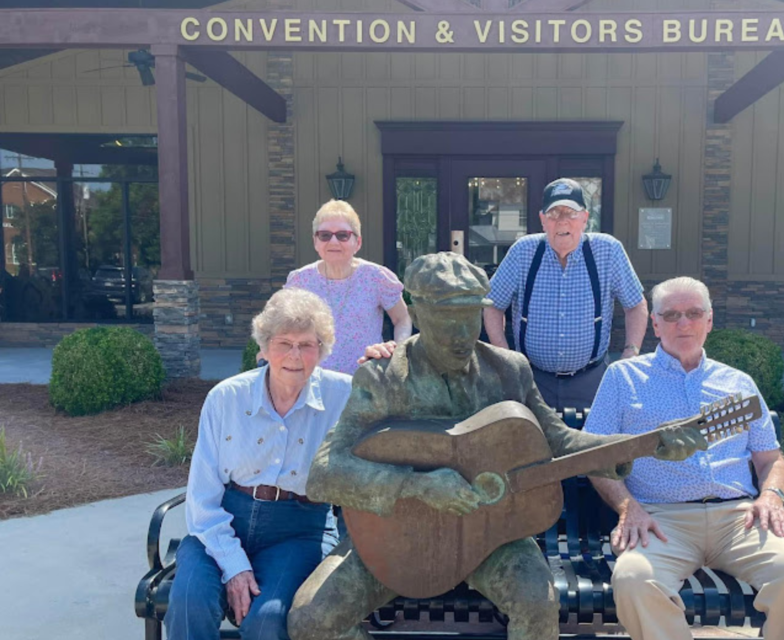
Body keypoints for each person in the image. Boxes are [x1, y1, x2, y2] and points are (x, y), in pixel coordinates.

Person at [286, 253, 704, 640]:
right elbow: (324, 474)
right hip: (397, 540)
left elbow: (560, 440)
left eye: (470, 318)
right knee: (310, 620)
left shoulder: (508, 370)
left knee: (538, 606)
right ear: (417, 314)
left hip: (492, 537)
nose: (461, 334)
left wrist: (639, 445)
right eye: (447, 319)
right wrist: (415, 487)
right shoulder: (382, 379)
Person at [583, 276, 784, 640]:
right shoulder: (623, 378)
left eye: (694, 313)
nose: (684, 323)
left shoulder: (738, 383)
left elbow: (770, 459)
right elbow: (594, 457)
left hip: (738, 518)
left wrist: (771, 496)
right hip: (662, 520)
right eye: (672, 314)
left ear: (709, 320)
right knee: (634, 579)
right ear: (656, 323)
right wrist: (627, 507)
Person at [164, 288, 351, 640]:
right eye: (284, 343)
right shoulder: (226, 398)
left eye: (307, 345)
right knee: (191, 603)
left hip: (297, 530)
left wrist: (387, 356)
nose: (295, 356)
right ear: (263, 349)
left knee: (267, 619)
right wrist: (235, 568)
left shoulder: (345, 395)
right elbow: (202, 497)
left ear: (322, 351)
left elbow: (395, 402)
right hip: (222, 522)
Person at [484, 178, 648, 411]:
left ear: (585, 218)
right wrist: (506, 357)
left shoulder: (608, 251)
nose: (562, 220)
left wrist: (630, 353)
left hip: (592, 379)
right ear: (542, 220)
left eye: (570, 212)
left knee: (596, 445)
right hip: (532, 379)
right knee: (529, 445)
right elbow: (492, 304)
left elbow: (635, 305)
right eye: (553, 213)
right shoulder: (523, 252)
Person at [284, 199, 412, 374]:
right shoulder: (300, 281)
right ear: (315, 242)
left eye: (343, 235)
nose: (334, 242)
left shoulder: (376, 277)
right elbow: (283, 327)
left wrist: (398, 352)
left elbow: (402, 319)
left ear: (357, 242)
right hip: (312, 382)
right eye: (325, 235)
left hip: (366, 381)